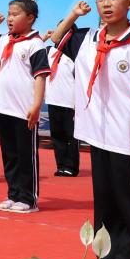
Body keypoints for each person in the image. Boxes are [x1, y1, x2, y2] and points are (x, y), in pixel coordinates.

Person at [53, 0, 130, 259]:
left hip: (126, 131)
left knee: (129, 198)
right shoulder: (88, 38)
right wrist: (74, 14)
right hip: (97, 132)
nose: (106, 4)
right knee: (105, 197)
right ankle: (107, 253)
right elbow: (56, 37)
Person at [0, 0, 50, 214]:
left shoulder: (35, 44)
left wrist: (36, 105)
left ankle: (28, 198)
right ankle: (13, 193)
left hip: (24, 109)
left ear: (30, 18)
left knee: (25, 155)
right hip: (4, 106)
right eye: (8, 14)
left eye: (15, 14)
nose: (10, 18)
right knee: (10, 154)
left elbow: (40, 76)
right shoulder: (4, 40)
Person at [45, 22, 79, 177]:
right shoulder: (49, 51)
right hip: (53, 99)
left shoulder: (76, 54)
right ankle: (61, 165)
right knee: (57, 135)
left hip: (70, 102)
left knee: (70, 136)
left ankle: (71, 166)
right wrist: (45, 38)